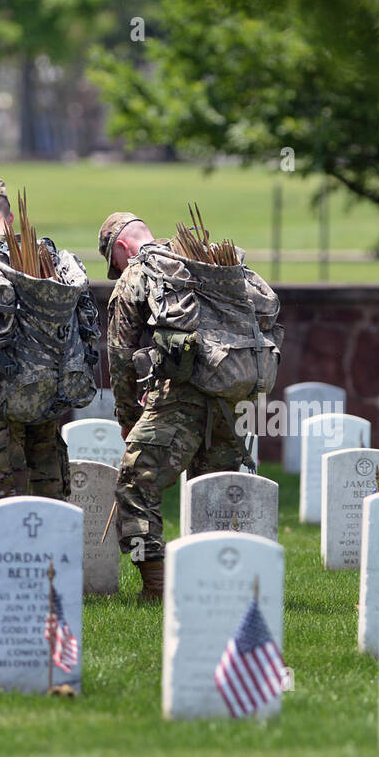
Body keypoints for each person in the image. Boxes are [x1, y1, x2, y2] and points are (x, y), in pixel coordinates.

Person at [99, 211, 275, 602]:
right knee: (216, 491)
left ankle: (157, 586)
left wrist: (128, 419)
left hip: (179, 400)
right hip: (231, 397)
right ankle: (222, 582)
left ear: (122, 249)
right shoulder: (203, 261)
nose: (118, 269)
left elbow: (121, 354)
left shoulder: (137, 273)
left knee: (135, 482)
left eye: (114, 263)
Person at [0, 177, 100, 504]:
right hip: (45, 395)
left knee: (1, 500)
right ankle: (54, 556)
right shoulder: (45, 256)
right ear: (10, 217)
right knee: (50, 495)